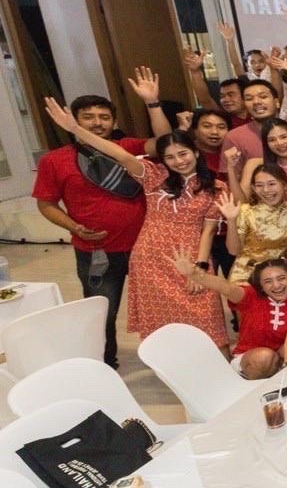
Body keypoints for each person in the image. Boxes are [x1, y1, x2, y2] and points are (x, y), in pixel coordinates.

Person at [43, 98, 228, 350]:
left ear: (195, 152)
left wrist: (200, 268)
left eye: (183, 154)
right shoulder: (155, 176)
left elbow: (208, 231)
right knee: (163, 325)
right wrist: (75, 129)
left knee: (207, 318)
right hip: (150, 257)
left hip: (191, 253)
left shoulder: (216, 187)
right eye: (170, 157)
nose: (178, 161)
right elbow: (119, 154)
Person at [33, 93, 155, 367]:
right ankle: (104, 365)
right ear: (73, 122)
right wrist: (74, 227)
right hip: (97, 253)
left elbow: (163, 142)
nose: (97, 123)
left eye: (104, 117)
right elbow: (46, 204)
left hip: (145, 248)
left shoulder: (129, 147)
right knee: (102, 313)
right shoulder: (54, 160)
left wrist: (152, 102)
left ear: (114, 122)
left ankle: (166, 358)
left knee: (159, 308)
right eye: (88, 117)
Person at [170, 255, 287, 378]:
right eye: (268, 281)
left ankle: (284, 385)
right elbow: (224, 286)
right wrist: (195, 275)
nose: (277, 285)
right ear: (261, 286)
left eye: (281, 278)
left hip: (283, 357)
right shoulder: (250, 296)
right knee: (264, 357)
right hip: (252, 358)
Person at [221, 162, 287, 283]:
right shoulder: (247, 212)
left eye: (272, 184)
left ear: (284, 185)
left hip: (277, 279)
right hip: (245, 277)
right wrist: (231, 220)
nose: (266, 190)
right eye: (259, 185)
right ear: (253, 188)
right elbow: (233, 251)